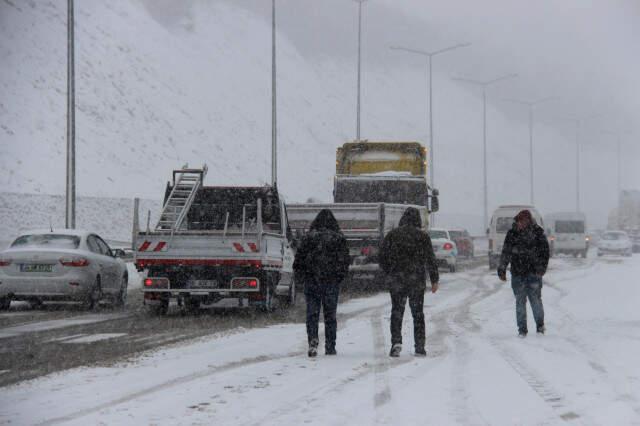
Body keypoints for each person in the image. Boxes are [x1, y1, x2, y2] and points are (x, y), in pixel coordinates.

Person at [379, 207, 440, 358]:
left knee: (397, 311)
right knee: (418, 314)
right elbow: (430, 259)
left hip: (397, 278)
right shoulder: (423, 236)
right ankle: (420, 346)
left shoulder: (393, 235)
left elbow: (382, 257)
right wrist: (434, 279)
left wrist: (389, 272)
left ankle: (396, 342)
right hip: (416, 280)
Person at [293, 209, 350, 357]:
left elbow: (298, 261)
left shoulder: (308, 238)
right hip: (331, 282)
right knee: (330, 315)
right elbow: (345, 261)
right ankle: (330, 346)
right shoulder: (338, 238)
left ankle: (312, 339)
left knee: (312, 313)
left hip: (311, 281)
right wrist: (339, 277)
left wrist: (301, 277)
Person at [497, 209, 550, 338]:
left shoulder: (538, 233)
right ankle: (522, 330)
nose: (521, 223)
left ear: (529, 220)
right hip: (517, 274)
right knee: (520, 303)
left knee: (535, 301)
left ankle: (540, 326)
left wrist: (542, 268)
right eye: (520, 221)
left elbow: (545, 252)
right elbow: (506, 252)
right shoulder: (512, 234)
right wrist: (502, 268)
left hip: (534, 273)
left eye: (524, 220)